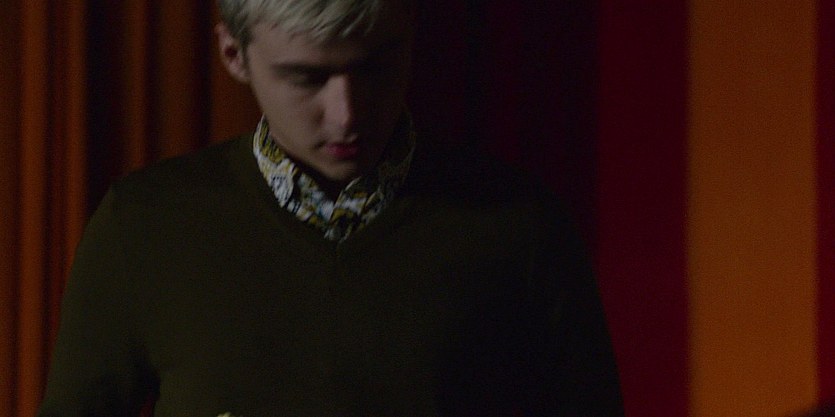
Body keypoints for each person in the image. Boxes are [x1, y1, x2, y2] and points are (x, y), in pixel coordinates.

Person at [38, 0, 623, 416]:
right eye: (307, 77)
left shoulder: (520, 227)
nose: (347, 114)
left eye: (375, 66)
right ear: (233, 54)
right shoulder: (143, 225)